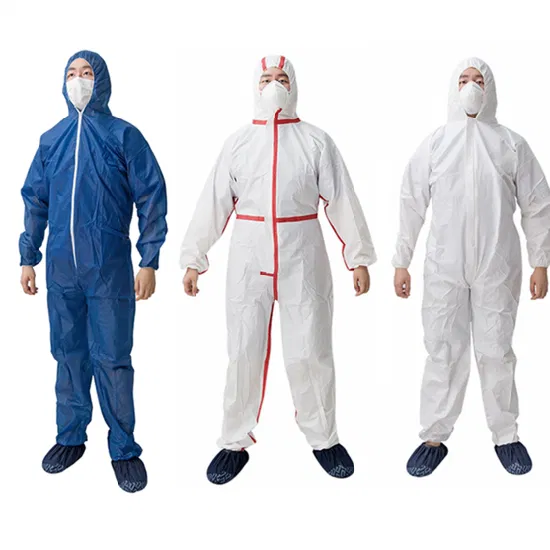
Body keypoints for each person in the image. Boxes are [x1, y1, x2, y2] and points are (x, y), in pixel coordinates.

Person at [181, 55, 376, 484]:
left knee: (311, 348)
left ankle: (324, 438)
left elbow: (342, 199)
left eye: (282, 78)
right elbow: (213, 202)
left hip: (302, 253)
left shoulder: (316, 141)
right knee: (243, 349)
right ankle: (233, 440)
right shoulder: (238, 143)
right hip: (248, 257)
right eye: (266, 78)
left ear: (294, 86)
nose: (274, 85)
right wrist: (194, 258)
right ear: (255, 85)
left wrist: (358, 257)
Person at [393, 57, 550, 477]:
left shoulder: (511, 144)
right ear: (452, 88)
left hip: (497, 265)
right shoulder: (436, 143)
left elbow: (537, 204)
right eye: (463, 80)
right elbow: (411, 202)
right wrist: (401, 260)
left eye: (478, 80)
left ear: (491, 89)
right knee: (442, 348)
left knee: (496, 349)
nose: (470, 87)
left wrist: (541, 262)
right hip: (444, 266)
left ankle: (506, 436)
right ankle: (434, 436)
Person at [19, 51, 168, 493]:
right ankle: (70, 438)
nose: (78, 80)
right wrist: (28, 256)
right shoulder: (51, 139)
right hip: (61, 269)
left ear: (100, 80)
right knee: (67, 354)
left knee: (113, 358)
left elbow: (151, 196)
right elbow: (36, 200)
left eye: (86, 73)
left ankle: (124, 447)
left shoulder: (123, 135)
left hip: (109, 268)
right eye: (72, 73)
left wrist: (149, 260)